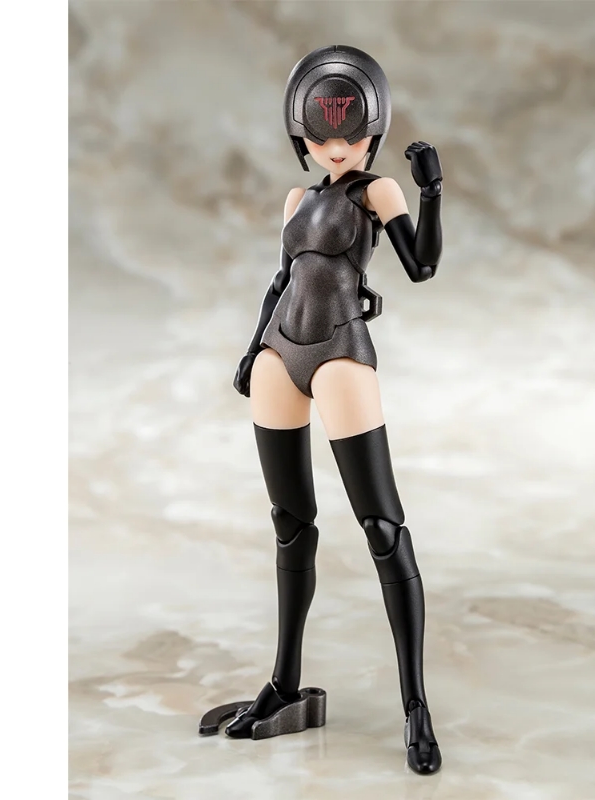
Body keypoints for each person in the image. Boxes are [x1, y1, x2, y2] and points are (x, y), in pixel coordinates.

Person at [227, 45, 443, 775]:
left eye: (351, 131)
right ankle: (285, 685)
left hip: (341, 352)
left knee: (383, 527)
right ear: (304, 135)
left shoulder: (377, 193)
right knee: (291, 525)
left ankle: (415, 706)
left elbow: (421, 266)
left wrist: (432, 192)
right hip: (277, 356)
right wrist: (251, 350)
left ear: (371, 129)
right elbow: (280, 282)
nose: (338, 145)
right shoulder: (297, 200)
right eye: (323, 133)